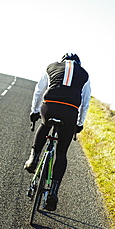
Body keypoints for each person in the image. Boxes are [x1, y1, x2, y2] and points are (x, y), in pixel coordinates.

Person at [24, 53, 91, 211]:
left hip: (50, 106)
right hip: (70, 112)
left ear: (62, 61)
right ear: (78, 63)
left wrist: (34, 111)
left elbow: (39, 91)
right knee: (61, 153)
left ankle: (33, 158)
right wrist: (79, 124)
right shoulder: (84, 74)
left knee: (45, 125)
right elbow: (86, 101)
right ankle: (53, 192)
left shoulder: (51, 67)